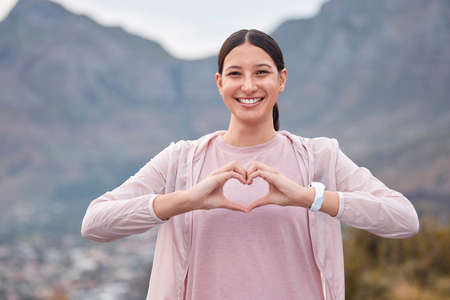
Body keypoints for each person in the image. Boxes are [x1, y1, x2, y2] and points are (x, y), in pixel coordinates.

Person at [81, 29, 419, 300]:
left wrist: (309, 198)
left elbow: (403, 219)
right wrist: (188, 200)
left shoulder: (320, 157)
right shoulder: (181, 160)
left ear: (281, 80)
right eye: (235, 74)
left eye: (261, 72)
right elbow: (95, 223)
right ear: (220, 83)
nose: (248, 85)